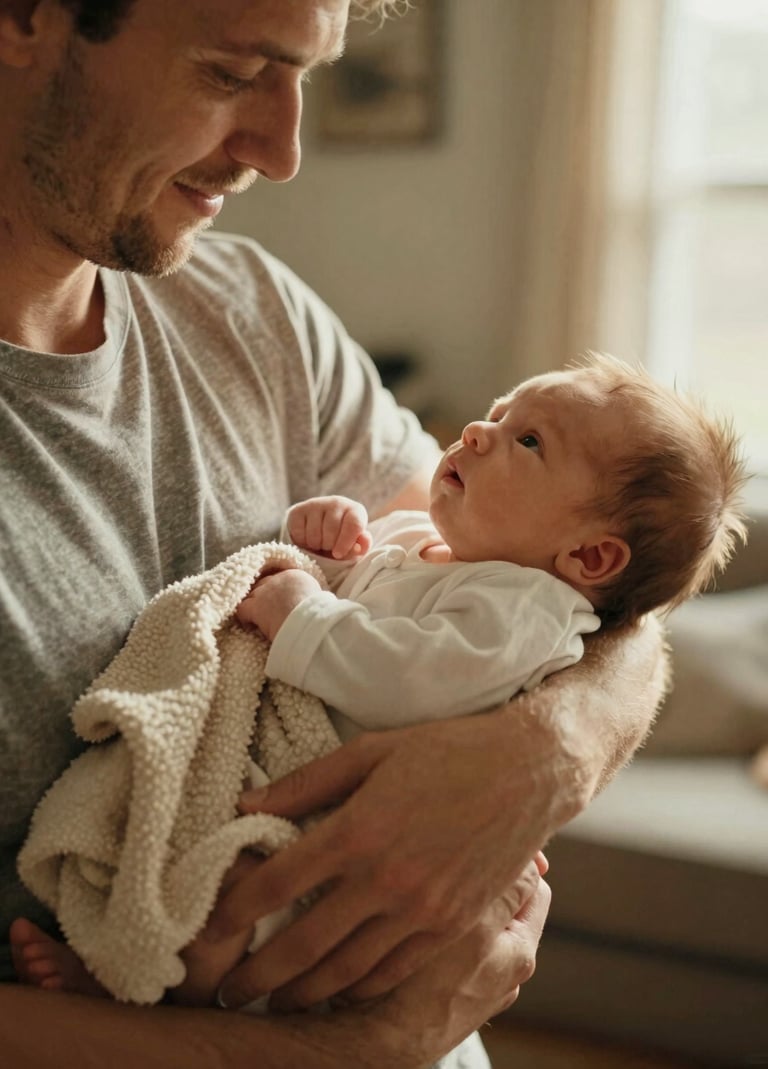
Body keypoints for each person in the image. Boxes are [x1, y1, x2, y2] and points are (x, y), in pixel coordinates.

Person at [0, 0, 667, 1065]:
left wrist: (551, 749)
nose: (285, 149)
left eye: (304, 75)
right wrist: (365, 1048)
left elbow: (548, 580)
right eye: (229, 72)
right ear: (28, 18)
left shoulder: (251, 309)